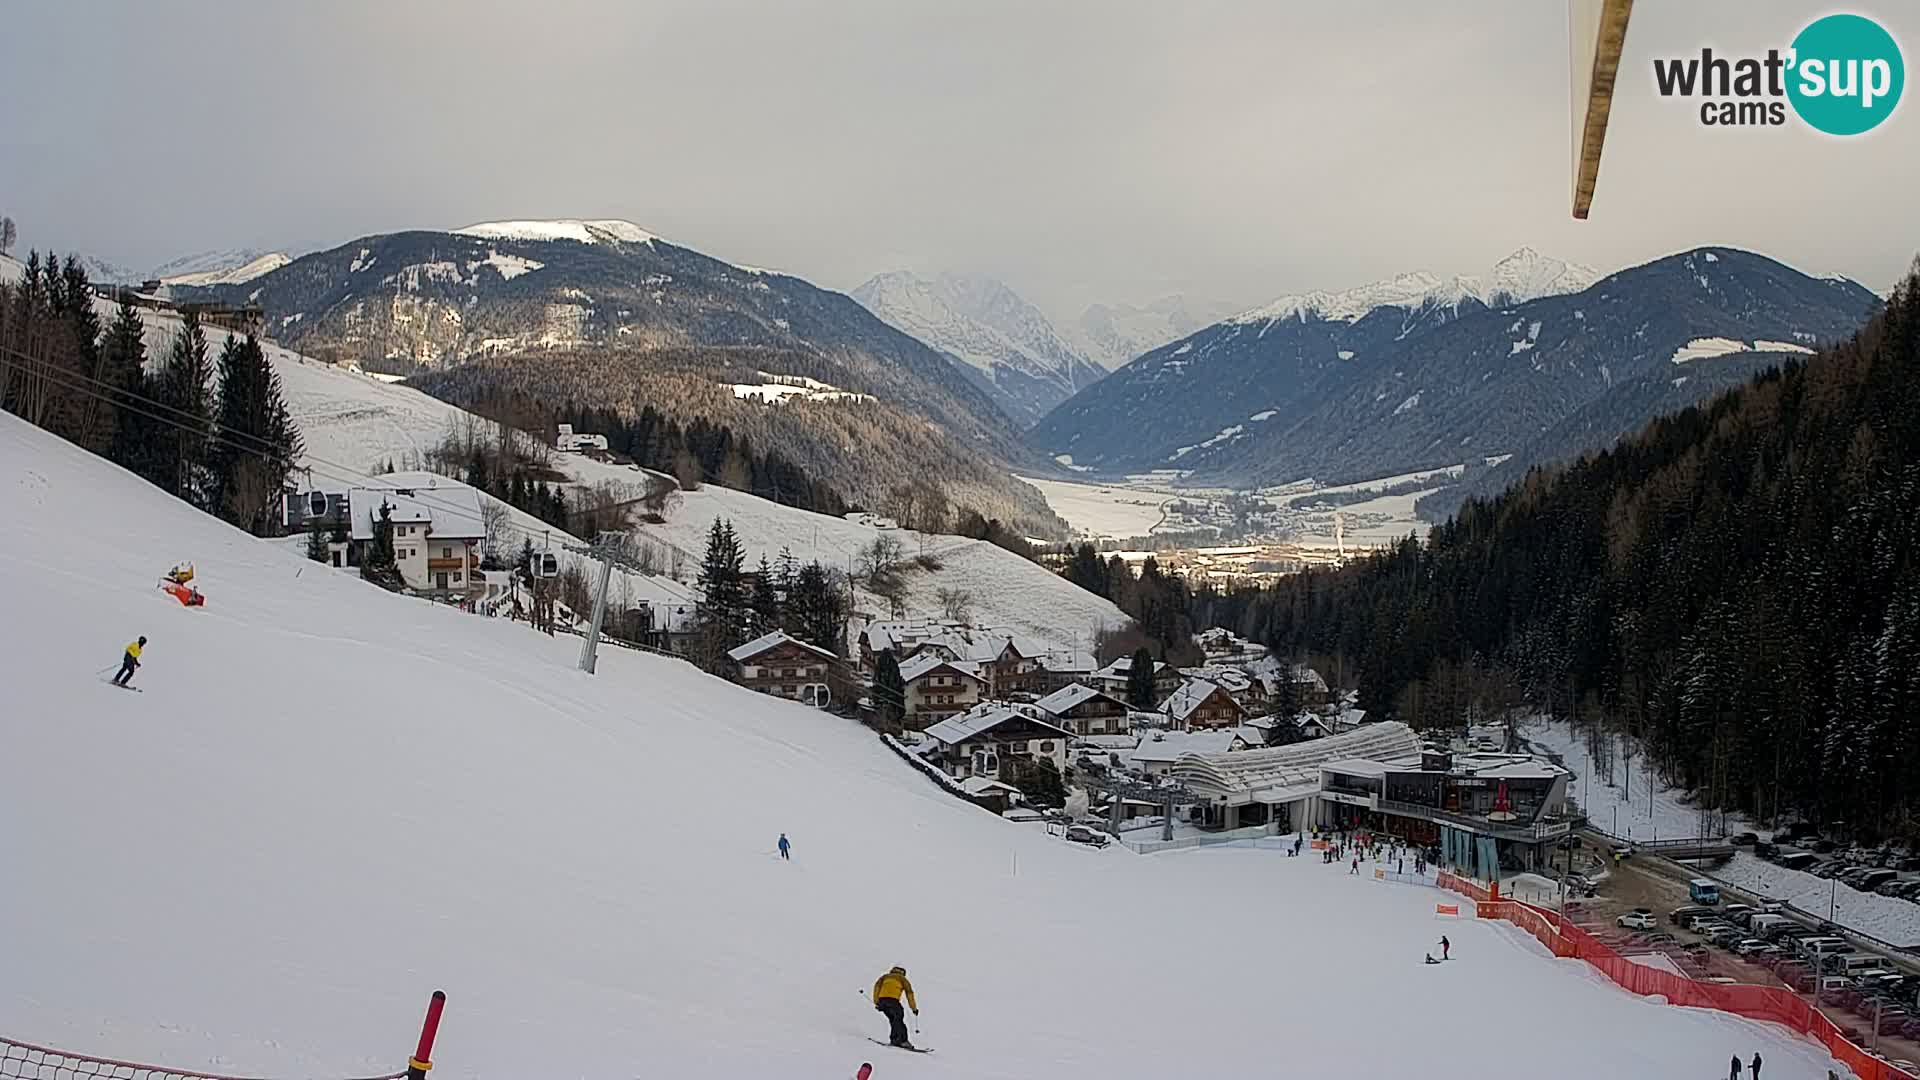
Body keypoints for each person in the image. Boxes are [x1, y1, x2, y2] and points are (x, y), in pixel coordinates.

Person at [871, 965, 918, 1048]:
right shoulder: (902, 979)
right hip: (893, 1001)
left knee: (893, 1020)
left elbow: (877, 987)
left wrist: (877, 1002)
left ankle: (894, 1039)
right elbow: (909, 993)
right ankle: (903, 1041)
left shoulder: (884, 977)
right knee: (898, 1019)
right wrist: (913, 1008)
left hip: (882, 1001)